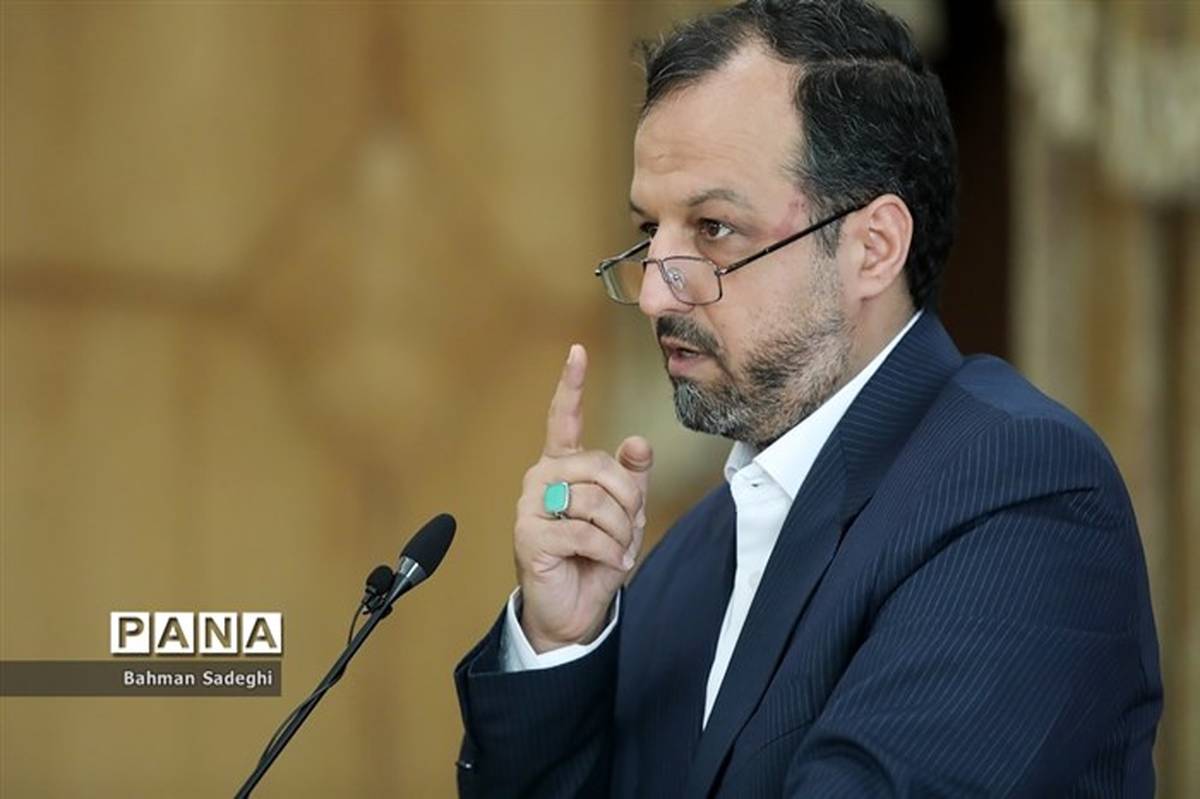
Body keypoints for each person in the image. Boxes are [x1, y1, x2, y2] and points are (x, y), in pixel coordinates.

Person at [453, 1, 1162, 796]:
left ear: (873, 247)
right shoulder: (685, 559)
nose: (655, 293)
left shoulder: (1020, 489)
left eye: (714, 229)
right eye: (650, 233)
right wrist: (558, 646)